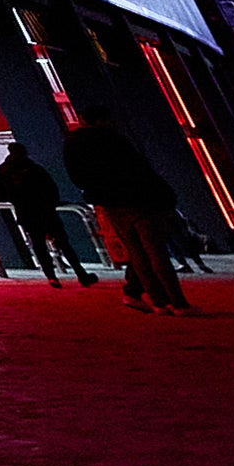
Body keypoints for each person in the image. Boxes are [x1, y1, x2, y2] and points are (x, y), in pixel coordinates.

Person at [63, 107, 193, 316]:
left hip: (111, 204)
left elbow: (77, 176)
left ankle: (158, 302)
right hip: (139, 200)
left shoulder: (72, 145)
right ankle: (177, 302)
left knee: (137, 253)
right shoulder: (113, 140)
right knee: (156, 252)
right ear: (101, 121)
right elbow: (138, 168)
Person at [0, 143, 93, 286]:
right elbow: (50, 187)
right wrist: (51, 202)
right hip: (45, 210)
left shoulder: (3, 171)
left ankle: (51, 276)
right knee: (63, 243)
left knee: (39, 245)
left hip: (25, 213)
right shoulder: (34, 168)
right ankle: (81, 274)